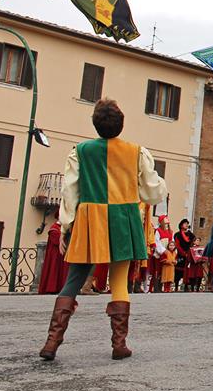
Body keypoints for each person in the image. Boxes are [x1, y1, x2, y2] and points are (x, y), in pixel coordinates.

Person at [40, 99, 167, 361]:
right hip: (123, 218)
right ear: (121, 125)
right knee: (119, 280)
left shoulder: (81, 151)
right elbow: (152, 192)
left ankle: (52, 343)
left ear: (95, 125)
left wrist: (66, 226)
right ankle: (119, 345)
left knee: (74, 280)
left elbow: (70, 191)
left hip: (90, 218)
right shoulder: (136, 152)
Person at [38, 212, 69, 295]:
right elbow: (57, 241)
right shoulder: (54, 228)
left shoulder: (64, 228)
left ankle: (61, 287)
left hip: (63, 254)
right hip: (55, 255)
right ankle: (52, 288)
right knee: (54, 270)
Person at [173, 219, 195, 292]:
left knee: (188, 271)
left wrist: (189, 253)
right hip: (180, 255)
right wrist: (183, 253)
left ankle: (186, 286)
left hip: (189, 255)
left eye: (187, 223)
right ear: (181, 225)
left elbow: (192, 244)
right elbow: (177, 245)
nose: (186, 225)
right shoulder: (177, 235)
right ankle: (176, 286)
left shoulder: (191, 235)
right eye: (185, 223)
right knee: (178, 271)